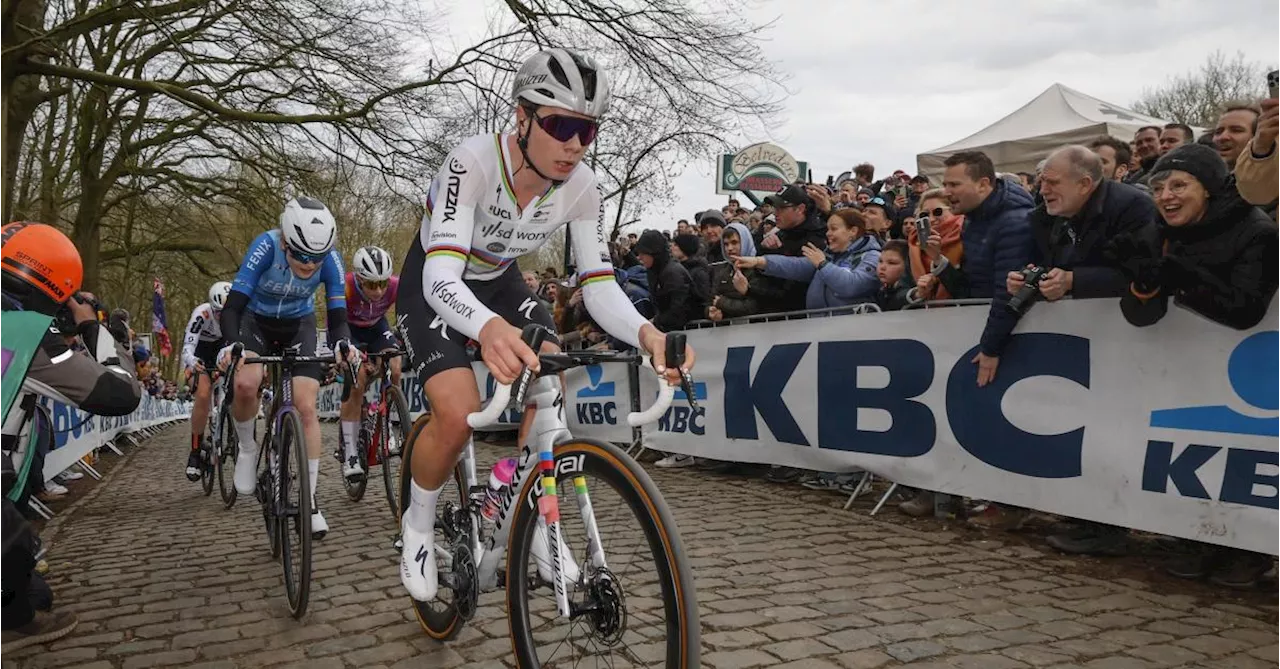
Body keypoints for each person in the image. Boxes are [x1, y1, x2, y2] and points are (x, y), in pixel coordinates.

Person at [394, 47, 695, 602]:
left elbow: (599, 285)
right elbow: (441, 278)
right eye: (560, 125)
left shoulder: (583, 188)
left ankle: (530, 514)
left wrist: (648, 334)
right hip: (435, 276)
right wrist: (485, 330)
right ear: (522, 116)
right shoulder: (474, 163)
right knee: (459, 414)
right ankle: (416, 522)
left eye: (588, 130)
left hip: (500, 279)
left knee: (549, 368)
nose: (575, 144)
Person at [0, 222, 141, 652]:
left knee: (31, 584)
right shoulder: (25, 334)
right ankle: (10, 622)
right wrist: (91, 328)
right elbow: (122, 393)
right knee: (14, 544)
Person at [218, 197, 358, 540]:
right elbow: (233, 307)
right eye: (301, 256)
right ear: (284, 241)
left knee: (306, 405)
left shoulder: (331, 260)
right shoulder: (265, 247)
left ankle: (309, 501)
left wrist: (343, 344)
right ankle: (249, 449)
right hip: (256, 322)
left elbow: (338, 317)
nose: (310, 266)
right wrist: (232, 344)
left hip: (299, 324)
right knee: (247, 384)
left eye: (317, 258)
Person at [337, 246, 401, 479]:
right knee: (358, 381)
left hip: (376, 328)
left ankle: (392, 422)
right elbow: (335, 321)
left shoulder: (395, 286)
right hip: (350, 330)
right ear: (359, 279)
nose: (379, 290)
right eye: (372, 285)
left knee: (395, 365)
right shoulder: (345, 286)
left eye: (383, 283)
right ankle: (351, 451)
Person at [734, 208, 881, 309]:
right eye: (828, 229)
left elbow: (853, 285)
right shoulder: (828, 255)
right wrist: (760, 261)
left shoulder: (872, 256)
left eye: (834, 229)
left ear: (853, 231)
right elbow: (795, 266)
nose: (828, 234)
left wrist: (823, 265)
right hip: (819, 329)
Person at [181, 281, 232, 481]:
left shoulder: (239, 313)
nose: (221, 318)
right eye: (218, 313)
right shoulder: (201, 314)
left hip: (224, 348)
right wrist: (192, 362)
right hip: (202, 350)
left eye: (225, 314)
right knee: (203, 394)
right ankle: (195, 452)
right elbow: (187, 347)